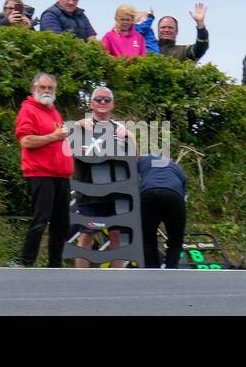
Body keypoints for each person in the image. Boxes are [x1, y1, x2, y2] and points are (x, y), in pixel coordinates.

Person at [70, 86, 133, 267]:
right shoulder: (81, 126)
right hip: (89, 189)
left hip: (117, 192)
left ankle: (114, 281)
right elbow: (68, 150)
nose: (103, 102)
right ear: (91, 104)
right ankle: (82, 281)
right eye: (98, 99)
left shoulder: (121, 129)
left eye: (107, 100)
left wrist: (130, 137)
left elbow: (135, 157)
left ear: (113, 105)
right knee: (86, 234)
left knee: (117, 236)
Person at [16, 73, 74, 268]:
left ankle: (55, 265)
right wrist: (53, 136)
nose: (47, 91)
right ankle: (26, 262)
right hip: (40, 173)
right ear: (34, 89)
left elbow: (57, 140)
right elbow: (26, 140)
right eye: (43, 87)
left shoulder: (54, 112)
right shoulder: (28, 110)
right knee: (41, 220)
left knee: (62, 224)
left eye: (50, 88)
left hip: (60, 174)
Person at [138, 154, 187, 269]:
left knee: (147, 239)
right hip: (175, 196)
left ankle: (151, 269)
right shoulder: (177, 167)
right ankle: (171, 268)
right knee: (176, 239)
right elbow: (184, 196)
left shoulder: (144, 160)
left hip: (149, 193)